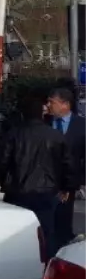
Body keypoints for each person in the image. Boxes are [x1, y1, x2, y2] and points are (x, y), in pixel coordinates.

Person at [0, 91, 73, 257]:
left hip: (17, 192)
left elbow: (2, 163)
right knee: (46, 232)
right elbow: (67, 165)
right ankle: (45, 267)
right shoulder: (55, 136)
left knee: (14, 234)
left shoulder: (13, 134)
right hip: (46, 193)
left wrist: (5, 182)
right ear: (41, 113)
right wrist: (66, 187)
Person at [46, 86, 86, 250]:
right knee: (47, 226)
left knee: (63, 226)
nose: (48, 105)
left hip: (68, 185)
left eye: (51, 102)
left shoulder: (82, 125)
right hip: (44, 183)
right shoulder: (44, 123)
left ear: (65, 104)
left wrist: (79, 182)